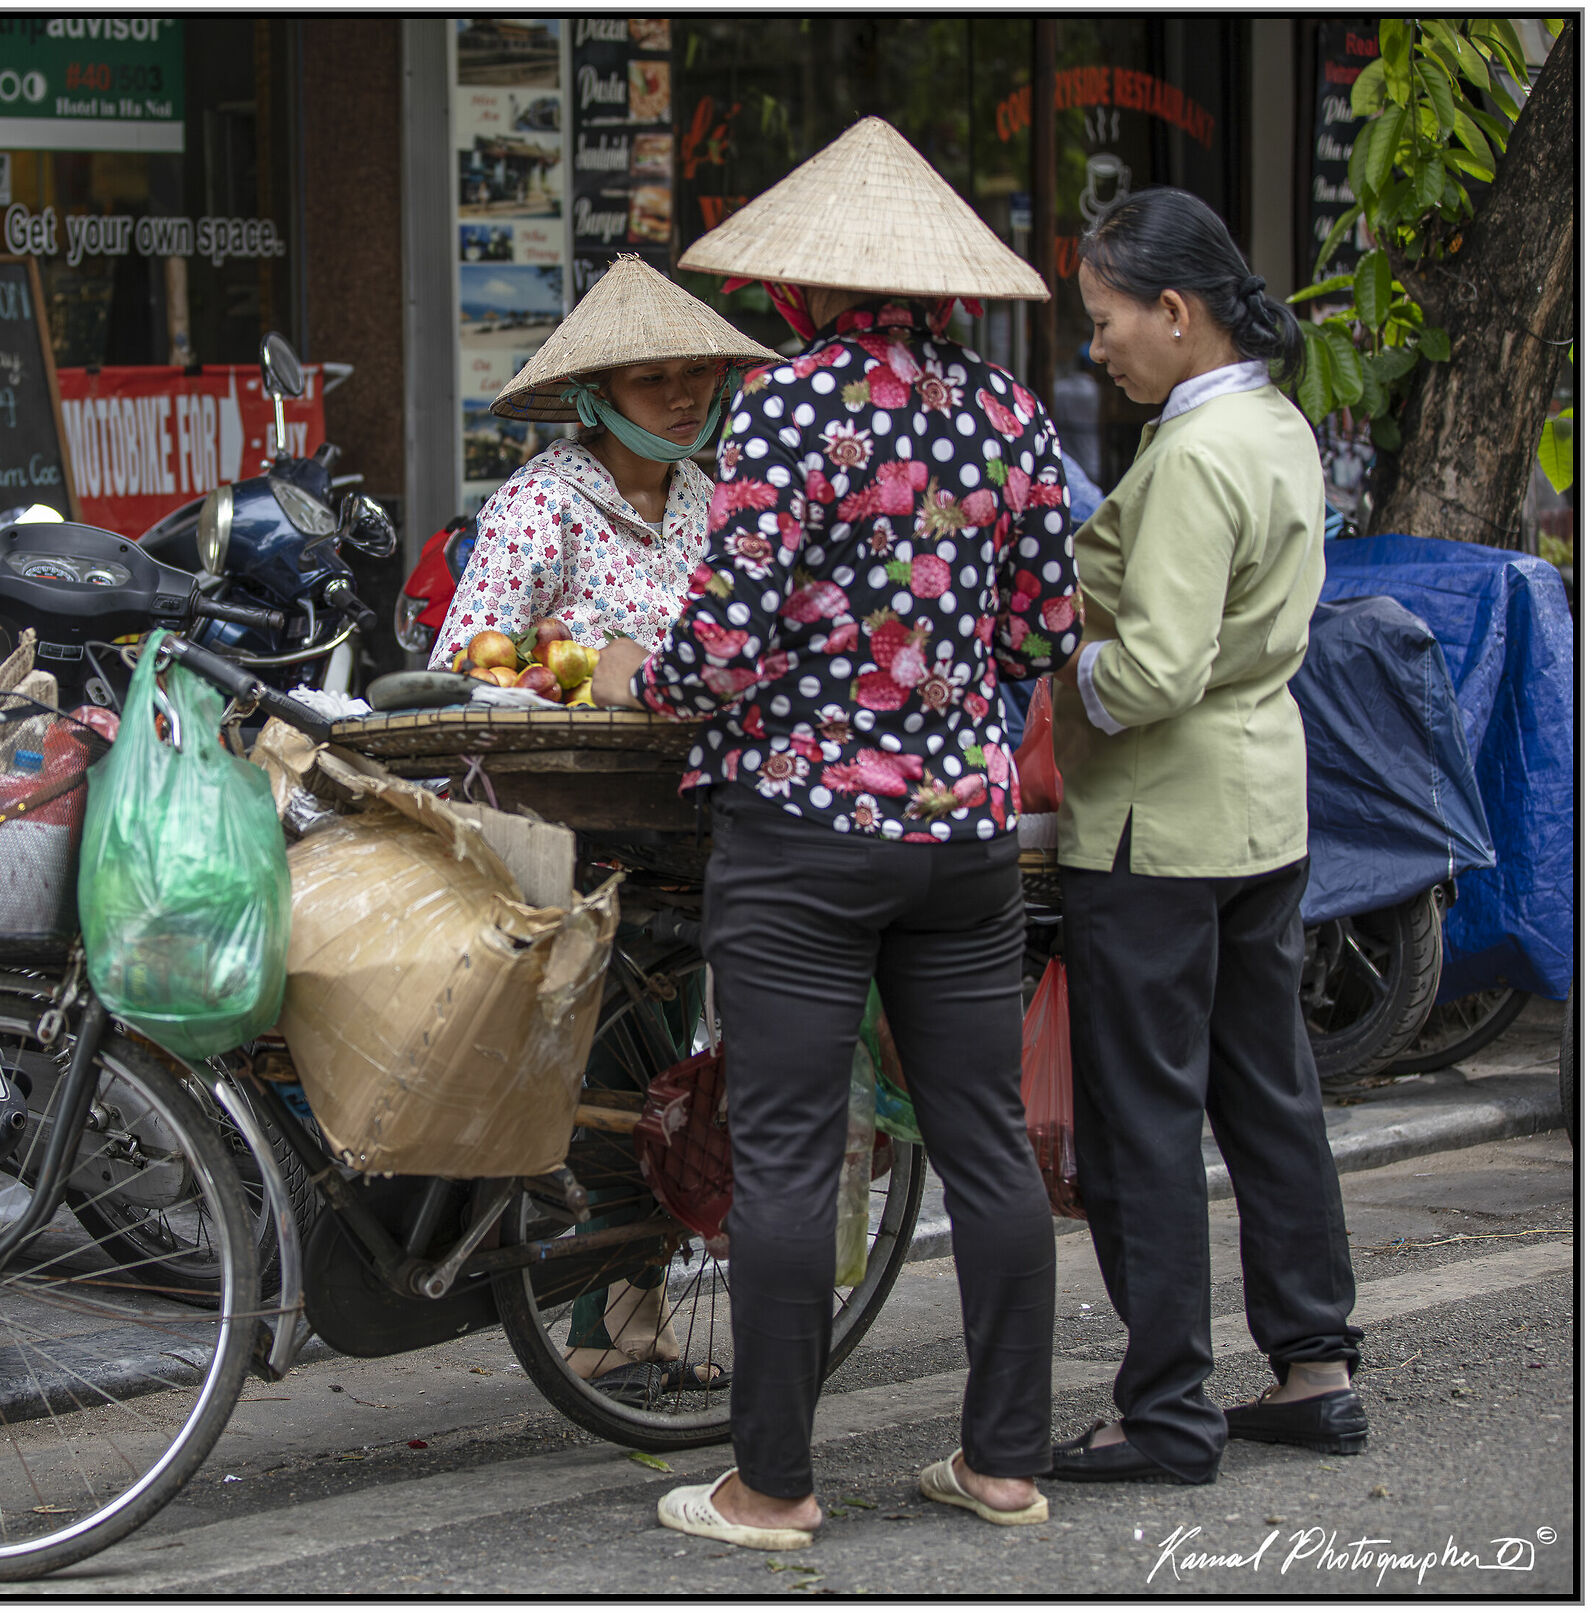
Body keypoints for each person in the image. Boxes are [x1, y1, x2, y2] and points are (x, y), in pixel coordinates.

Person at [595, 116, 1073, 1547]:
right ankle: (1002, 1462)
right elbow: (1044, 627)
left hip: (802, 835)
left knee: (796, 1150)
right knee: (982, 1139)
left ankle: (775, 1485)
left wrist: (646, 675)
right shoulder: (1012, 415)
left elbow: (721, 646)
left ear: (796, 290)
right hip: (965, 837)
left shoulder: (791, 407)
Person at [1045, 185, 1365, 1484]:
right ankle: (1314, 1365)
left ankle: (1166, 1407)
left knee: (1144, 1125)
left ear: (1176, 313)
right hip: (1260, 806)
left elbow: (1157, 669)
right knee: (1271, 1094)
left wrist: (1067, 678)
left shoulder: (1189, 453)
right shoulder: (1278, 425)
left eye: (1108, 319)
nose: (1098, 347)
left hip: (1157, 829)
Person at [429, 254, 776, 668]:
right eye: (652, 378)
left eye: (697, 370)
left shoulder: (710, 501)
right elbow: (466, 670)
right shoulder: (539, 505)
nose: (683, 397)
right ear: (599, 394)